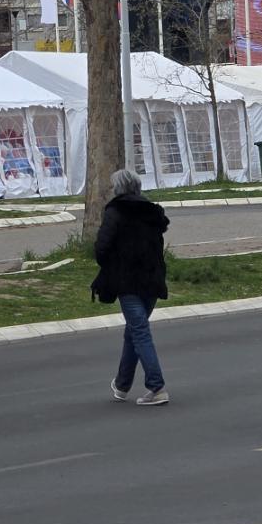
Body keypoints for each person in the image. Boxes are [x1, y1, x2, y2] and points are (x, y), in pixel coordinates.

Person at [91, 168, 170, 406]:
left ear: (118, 189)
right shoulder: (153, 212)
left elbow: (101, 248)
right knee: (135, 331)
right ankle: (122, 385)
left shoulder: (115, 212)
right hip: (153, 281)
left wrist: (112, 267)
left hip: (128, 281)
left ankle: (156, 387)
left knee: (139, 331)